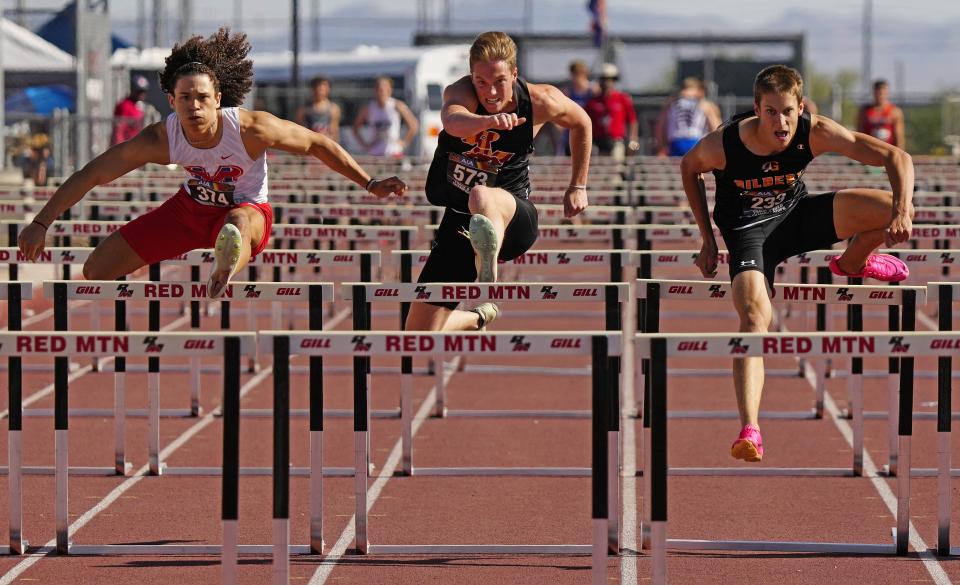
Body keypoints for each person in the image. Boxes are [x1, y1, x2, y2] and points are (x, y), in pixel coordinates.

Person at [18, 28, 406, 299]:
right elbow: (94, 173)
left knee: (237, 224)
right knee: (96, 269)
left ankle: (226, 265)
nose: (194, 105)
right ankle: (223, 253)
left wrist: (368, 182)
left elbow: (318, 143)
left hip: (247, 210)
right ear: (171, 101)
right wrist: (41, 222)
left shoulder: (252, 129)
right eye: (185, 97)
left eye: (202, 97)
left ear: (219, 98)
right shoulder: (162, 137)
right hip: (190, 209)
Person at [680, 64, 914, 462]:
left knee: (889, 205)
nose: (781, 121)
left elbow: (897, 157)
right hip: (748, 233)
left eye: (788, 111)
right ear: (756, 109)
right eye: (771, 112)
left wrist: (903, 212)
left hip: (796, 218)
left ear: (800, 107)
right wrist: (707, 240)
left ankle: (855, 261)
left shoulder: (814, 130)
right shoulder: (725, 144)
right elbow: (689, 169)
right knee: (755, 317)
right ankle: (750, 428)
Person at [405, 31, 592, 332]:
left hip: (514, 217)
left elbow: (582, 122)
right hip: (461, 222)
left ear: (514, 74)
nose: (490, 92)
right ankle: (480, 315)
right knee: (418, 331)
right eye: (481, 82)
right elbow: (452, 122)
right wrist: (488, 121)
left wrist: (578, 185)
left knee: (482, 195)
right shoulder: (459, 92)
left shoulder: (541, 100)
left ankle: (486, 275)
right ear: (471, 77)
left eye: (499, 82)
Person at [352, 77, 419, 157]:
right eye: (378, 89)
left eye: (383, 89)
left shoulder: (397, 105)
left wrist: (404, 143)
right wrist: (365, 145)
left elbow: (414, 125)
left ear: (389, 90)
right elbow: (355, 127)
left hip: (394, 151)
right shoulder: (369, 108)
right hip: (375, 152)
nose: (381, 92)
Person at [655, 77, 721, 157]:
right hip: (695, 143)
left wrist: (661, 147)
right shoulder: (705, 105)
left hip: (675, 143)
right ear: (698, 90)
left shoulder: (671, 104)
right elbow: (716, 128)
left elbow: (660, 127)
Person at [584, 63, 638, 159]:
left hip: (617, 142)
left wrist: (632, 140)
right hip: (597, 144)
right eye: (604, 79)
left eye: (610, 80)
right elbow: (586, 124)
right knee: (599, 169)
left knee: (616, 167)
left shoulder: (622, 99)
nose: (607, 83)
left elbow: (632, 121)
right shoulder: (592, 103)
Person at [556, 59, 598, 155]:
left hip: (591, 133)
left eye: (579, 74)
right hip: (571, 134)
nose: (576, 77)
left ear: (585, 74)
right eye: (574, 74)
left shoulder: (594, 91)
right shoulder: (567, 93)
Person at [112, 75, 160, 145]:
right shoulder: (124, 105)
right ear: (132, 89)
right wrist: (119, 149)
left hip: (137, 146)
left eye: (144, 91)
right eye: (139, 91)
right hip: (126, 147)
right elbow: (118, 130)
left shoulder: (140, 106)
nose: (142, 94)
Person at [858, 79, 906, 148]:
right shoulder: (864, 111)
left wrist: (900, 153)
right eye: (878, 93)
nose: (881, 96)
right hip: (869, 151)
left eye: (883, 93)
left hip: (888, 150)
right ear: (874, 93)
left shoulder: (895, 111)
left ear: (887, 93)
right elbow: (860, 134)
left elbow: (899, 137)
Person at [296, 75, 341, 142]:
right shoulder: (303, 109)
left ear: (328, 89)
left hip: (326, 145)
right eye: (317, 86)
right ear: (312, 89)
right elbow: (298, 132)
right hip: (308, 145)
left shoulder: (334, 109)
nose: (320, 89)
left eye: (323, 86)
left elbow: (334, 132)